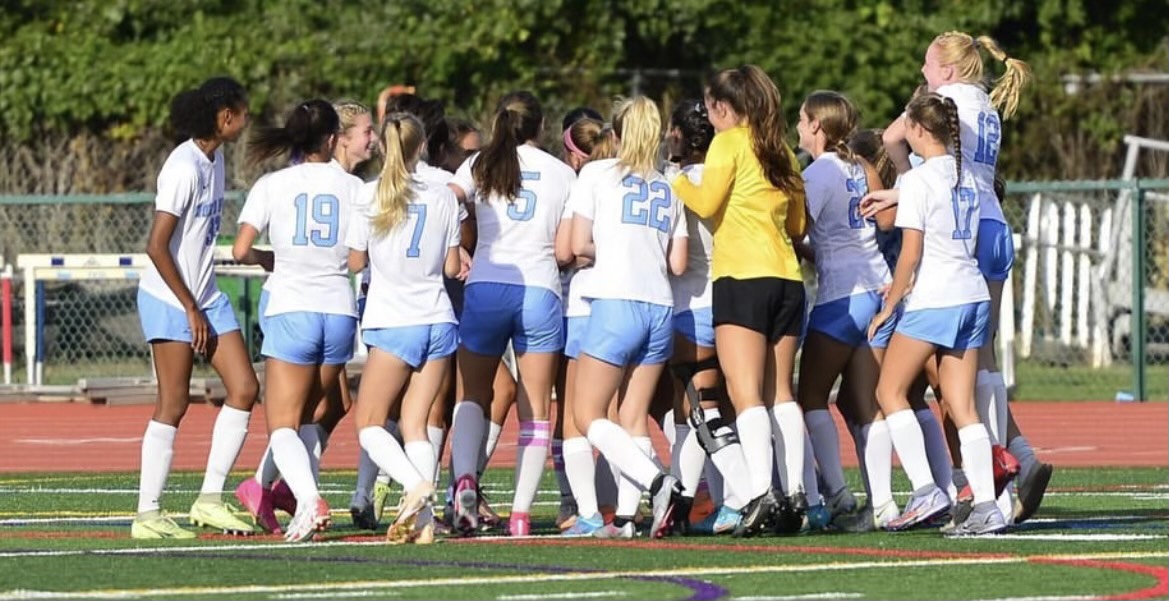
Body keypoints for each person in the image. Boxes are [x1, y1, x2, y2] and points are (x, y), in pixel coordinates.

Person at [875, 31, 1036, 524]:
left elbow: (899, 139)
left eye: (927, 64)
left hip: (960, 236)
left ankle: (997, 470)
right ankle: (1011, 463)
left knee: (941, 372)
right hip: (991, 222)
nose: (922, 73)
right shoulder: (984, 101)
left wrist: (896, 176)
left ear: (947, 70)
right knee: (979, 356)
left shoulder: (942, 100)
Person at [671, 65, 808, 536]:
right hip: (788, 278)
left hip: (742, 277)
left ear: (723, 108)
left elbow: (706, 203)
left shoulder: (727, 143)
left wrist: (675, 181)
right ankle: (794, 495)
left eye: (711, 108)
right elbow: (796, 226)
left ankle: (760, 494)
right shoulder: (782, 148)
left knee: (745, 392)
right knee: (781, 392)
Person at [866, 92, 1006, 536]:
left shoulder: (920, 181)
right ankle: (988, 505)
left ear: (921, 132)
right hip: (972, 295)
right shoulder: (968, 175)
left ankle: (927, 488)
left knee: (889, 392)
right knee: (964, 409)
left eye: (908, 124)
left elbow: (910, 255)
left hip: (936, 298)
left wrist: (888, 306)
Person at [237, 100, 378, 532]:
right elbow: (358, 258)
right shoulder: (356, 189)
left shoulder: (272, 183)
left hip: (290, 306)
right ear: (333, 139)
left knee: (283, 422)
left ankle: (308, 498)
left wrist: (267, 259)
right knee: (323, 408)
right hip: (337, 310)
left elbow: (240, 249)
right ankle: (269, 490)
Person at [446, 91, 576, 537]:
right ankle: (520, 515)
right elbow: (567, 245)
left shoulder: (479, 163)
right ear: (540, 127)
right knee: (536, 408)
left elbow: (446, 199)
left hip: (485, 283)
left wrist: (458, 243)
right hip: (540, 288)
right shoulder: (562, 173)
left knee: (472, 394)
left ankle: (465, 480)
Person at [133, 76, 257, 539]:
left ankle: (209, 499)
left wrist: (201, 303)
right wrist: (189, 307)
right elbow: (157, 246)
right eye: (242, 113)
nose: (246, 121)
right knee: (174, 402)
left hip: (206, 296)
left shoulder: (216, 158)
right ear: (224, 117)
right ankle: (147, 514)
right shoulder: (183, 166)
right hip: (171, 299)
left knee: (244, 389)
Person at [569, 96, 687, 539]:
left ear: (614, 135)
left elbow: (579, 244)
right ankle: (624, 520)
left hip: (616, 302)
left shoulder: (597, 173)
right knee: (634, 417)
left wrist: (615, 246)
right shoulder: (670, 184)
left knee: (588, 415)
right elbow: (677, 263)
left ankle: (659, 483)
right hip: (660, 307)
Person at [347, 112, 464, 544]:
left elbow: (356, 261)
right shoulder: (443, 197)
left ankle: (414, 486)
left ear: (383, 146)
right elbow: (452, 266)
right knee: (416, 425)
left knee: (371, 424)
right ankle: (425, 523)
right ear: (421, 148)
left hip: (394, 320)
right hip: (437, 318)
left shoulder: (369, 194)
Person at [794, 91, 893, 530]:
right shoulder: (861, 165)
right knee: (862, 403)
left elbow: (795, 230)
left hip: (841, 295)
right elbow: (885, 221)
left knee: (810, 396)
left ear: (817, 125)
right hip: (876, 284)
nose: (797, 127)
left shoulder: (817, 173)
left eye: (801, 119)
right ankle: (883, 502)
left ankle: (836, 493)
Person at [662, 99, 752, 536]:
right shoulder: (728, 177)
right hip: (732, 300)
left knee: (696, 409)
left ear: (681, 135)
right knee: (725, 407)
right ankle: (713, 504)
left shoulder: (673, 181)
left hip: (688, 305)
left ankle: (744, 498)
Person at [555, 115, 619, 536]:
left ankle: (587, 511)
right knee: (617, 411)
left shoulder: (588, 179)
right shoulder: (641, 178)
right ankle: (615, 506)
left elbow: (566, 250)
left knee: (576, 416)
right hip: (624, 302)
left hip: (583, 302)